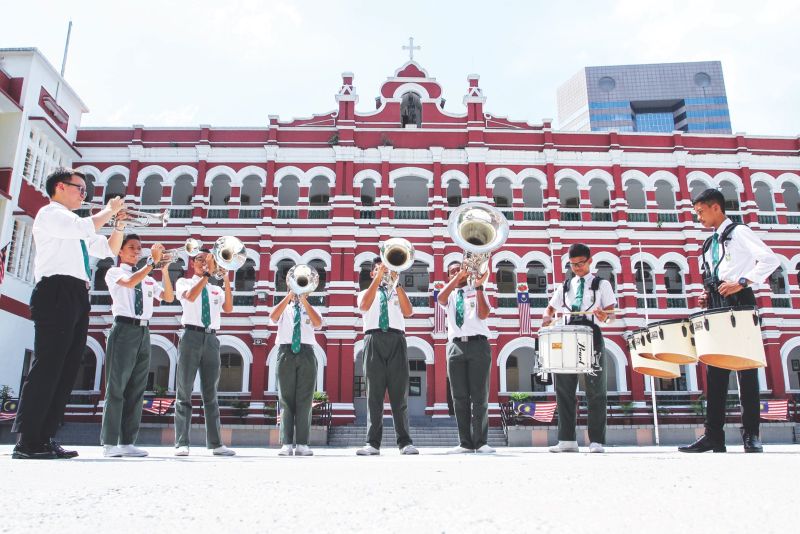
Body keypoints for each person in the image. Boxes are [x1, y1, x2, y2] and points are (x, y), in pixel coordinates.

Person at [12, 168, 125, 459]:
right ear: (60, 187)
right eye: (80, 189)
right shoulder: (51, 214)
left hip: (76, 293)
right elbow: (83, 228)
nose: (83, 194)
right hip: (55, 291)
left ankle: (45, 436)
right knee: (49, 365)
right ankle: (27, 440)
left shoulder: (76, 224)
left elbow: (109, 248)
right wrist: (108, 210)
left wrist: (119, 225)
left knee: (67, 368)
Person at [679, 188, 780, 454]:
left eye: (700, 212)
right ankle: (714, 437)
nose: (698, 217)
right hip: (716, 302)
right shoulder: (708, 243)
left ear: (715, 208)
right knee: (715, 370)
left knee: (746, 371)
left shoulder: (739, 232)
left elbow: (770, 259)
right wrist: (705, 294)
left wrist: (743, 281)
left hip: (739, 300)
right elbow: (711, 273)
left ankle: (751, 436)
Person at [100, 234, 174, 458]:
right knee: (116, 387)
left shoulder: (148, 278)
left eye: (139, 248)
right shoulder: (115, 272)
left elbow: (169, 297)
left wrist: (165, 269)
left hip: (143, 331)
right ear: (120, 251)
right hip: (123, 329)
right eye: (131, 247)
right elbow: (130, 283)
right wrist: (152, 262)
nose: (136, 251)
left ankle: (127, 441)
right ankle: (109, 443)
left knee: (137, 388)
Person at [542, 243, 616, 454]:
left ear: (590, 261)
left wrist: (605, 317)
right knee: (564, 388)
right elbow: (550, 308)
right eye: (573, 265)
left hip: (590, 332)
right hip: (566, 334)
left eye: (580, 264)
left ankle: (597, 440)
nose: (576, 268)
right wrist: (547, 317)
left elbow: (611, 315)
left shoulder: (601, 284)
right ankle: (566, 439)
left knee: (595, 389)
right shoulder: (565, 285)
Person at [173, 250, 236, 457]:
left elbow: (228, 308)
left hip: (211, 338)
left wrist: (225, 279)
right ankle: (182, 442)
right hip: (191, 335)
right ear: (192, 263)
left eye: (208, 260)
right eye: (200, 259)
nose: (204, 263)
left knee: (211, 394)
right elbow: (190, 297)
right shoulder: (184, 282)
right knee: (184, 392)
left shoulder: (215, 289)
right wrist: (207, 275)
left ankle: (216, 444)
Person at [355, 256, 418, 456]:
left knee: (399, 394)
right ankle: (372, 443)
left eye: (387, 269)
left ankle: (405, 442)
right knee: (374, 395)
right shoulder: (366, 292)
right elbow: (364, 306)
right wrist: (380, 277)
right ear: (373, 273)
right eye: (379, 269)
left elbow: (409, 312)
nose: (384, 272)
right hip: (373, 339)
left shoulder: (397, 292)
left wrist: (397, 283)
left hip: (396, 339)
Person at [437, 261, 494, 454]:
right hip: (455, 346)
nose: (457, 273)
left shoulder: (476, 288)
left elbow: (484, 314)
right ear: (448, 276)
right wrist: (456, 278)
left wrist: (478, 287)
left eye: (459, 270)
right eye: (452, 271)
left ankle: (481, 442)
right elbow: (440, 297)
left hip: (478, 344)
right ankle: (465, 443)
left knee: (479, 396)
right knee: (459, 396)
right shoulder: (450, 295)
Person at [269, 288, 323, 456]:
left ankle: (302, 443)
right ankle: (286, 443)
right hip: (286, 351)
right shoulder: (284, 307)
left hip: (306, 352)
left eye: (303, 290)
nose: (299, 292)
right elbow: (273, 317)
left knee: (305, 399)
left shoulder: (311, 308)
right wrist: (289, 296)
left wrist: (304, 301)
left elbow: (318, 323)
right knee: (285, 398)